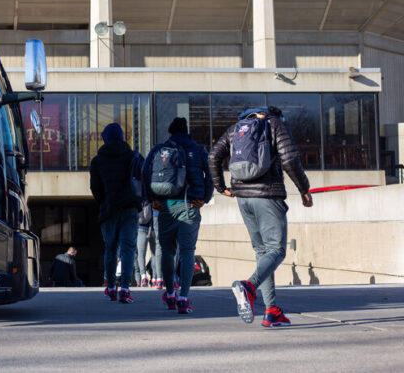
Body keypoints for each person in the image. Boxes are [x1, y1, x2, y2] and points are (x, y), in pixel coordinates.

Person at [208, 106, 312, 327]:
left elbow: (213, 155)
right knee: (276, 250)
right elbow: (290, 159)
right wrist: (304, 189)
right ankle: (249, 286)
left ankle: (271, 310)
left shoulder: (236, 128)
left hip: (242, 197)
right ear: (277, 115)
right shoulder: (275, 124)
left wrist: (220, 187)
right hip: (268, 195)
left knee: (262, 252)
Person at [143, 117, 213, 314]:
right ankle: (184, 297)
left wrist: (151, 199)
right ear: (187, 131)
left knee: (167, 251)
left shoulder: (160, 149)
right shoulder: (198, 150)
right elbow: (211, 175)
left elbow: (145, 171)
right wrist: (205, 198)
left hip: (164, 206)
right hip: (190, 205)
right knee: (188, 251)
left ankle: (170, 294)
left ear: (170, 132)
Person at [90, 122, 142, 304]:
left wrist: (105, 202)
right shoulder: (132, 156)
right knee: (128, 249)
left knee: (110, 249)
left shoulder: (97, 161)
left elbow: (95, 189)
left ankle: (111, 287)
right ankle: (125, 288)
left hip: (109, 210)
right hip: (129, 209)